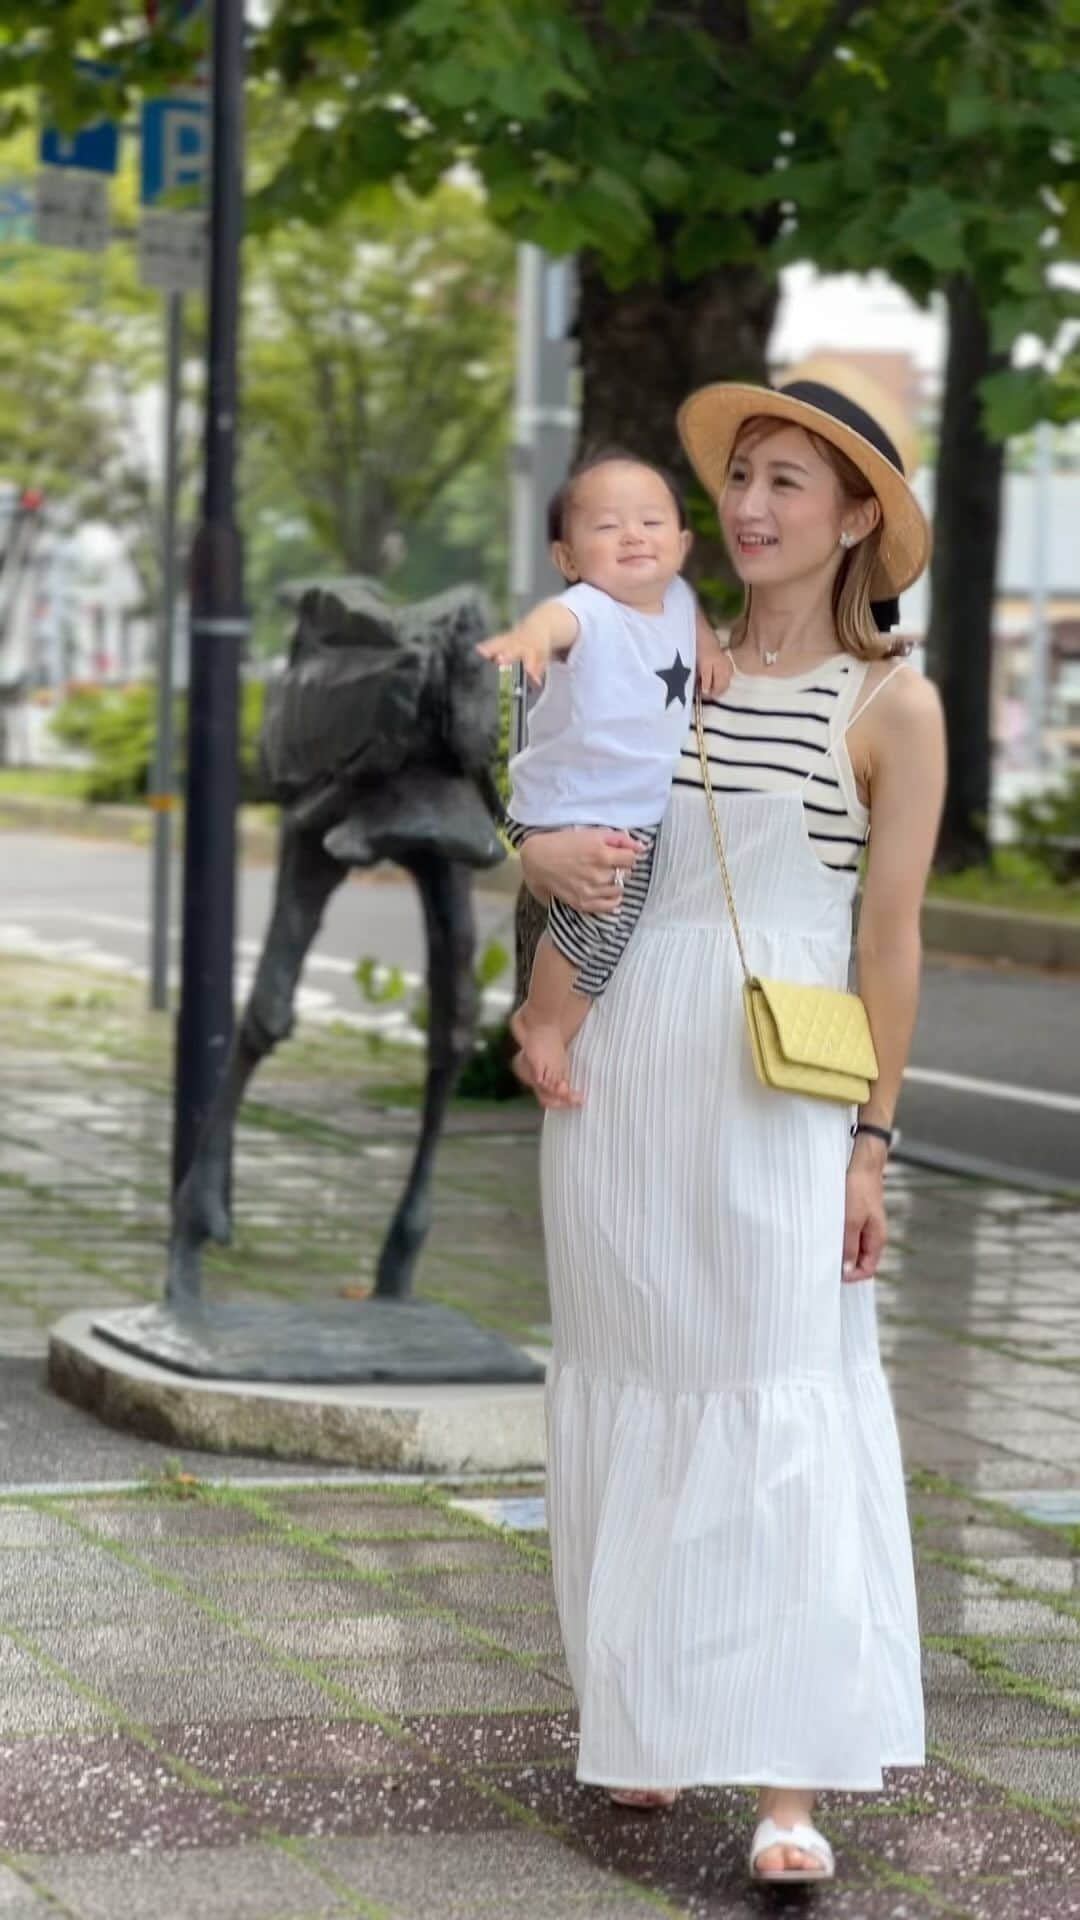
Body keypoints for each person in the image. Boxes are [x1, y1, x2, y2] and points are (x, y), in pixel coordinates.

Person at [514, 361, 946, 1885]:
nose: (750, 508)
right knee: (634, 1376)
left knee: (779, 1395)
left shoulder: (895, 703)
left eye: (788, 484)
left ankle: (784, 1786)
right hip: (629, 1072)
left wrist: (873, 1141)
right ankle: (640, 1718)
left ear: (854, 521)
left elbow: (889, 942)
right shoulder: (652, 659)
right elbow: (572, 831)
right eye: (740, 478)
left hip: (782, 1087)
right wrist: (540, 861)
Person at [477, 450, 730, 1096]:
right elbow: (552, 622)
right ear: (567, 560)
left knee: (610, 940)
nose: (633, 536)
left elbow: (694, 621)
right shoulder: (588, 608)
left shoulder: (677, 596)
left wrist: (709, 650)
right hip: (574, 802)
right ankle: (537, 1021)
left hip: (634, 809)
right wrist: (531, 639)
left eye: (651, 522)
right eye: (607, 526)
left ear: (682, 541)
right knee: (592, 913)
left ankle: (555, 1044)